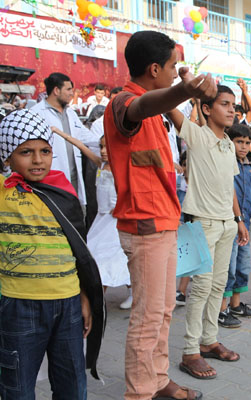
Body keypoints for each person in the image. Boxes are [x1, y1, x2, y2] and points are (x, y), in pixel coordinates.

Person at [103, 30, 215, 400]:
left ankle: (159, 378)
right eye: (171, 67)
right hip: (145, 226)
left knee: (164, 311)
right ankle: (139, 393)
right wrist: (186, 91)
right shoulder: (125, 103)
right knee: (148, 319)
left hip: (164, 223)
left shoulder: (157, 109)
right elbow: (142, 107)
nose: (175, 72)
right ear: (154, 69)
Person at [0, 109, 104, 399]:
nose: (37, 159)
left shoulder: (62, 189)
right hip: (19, 307)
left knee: (72, 384)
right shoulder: (3, 191)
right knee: (17, 387)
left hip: (68, 305)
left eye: (45, 151)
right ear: (7, 156)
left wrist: (84, 296)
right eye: (25, 152)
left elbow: (79, 251)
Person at [166, 85, 247, 377]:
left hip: (226, 223)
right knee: (199, 289)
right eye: (224, 104)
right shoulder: (196, 135)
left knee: (218, 285)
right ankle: (190, 352)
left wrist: (238, 219)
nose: (231, 109)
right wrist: (186, 87)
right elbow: (170, 108)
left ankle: (209, 341)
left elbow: (230, 186)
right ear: (207, 108)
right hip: (198, 221)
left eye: (233, 105)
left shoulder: (227, 142)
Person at [51, 127, 132, 308]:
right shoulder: (100, 164)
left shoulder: (122, 168)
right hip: (100, 220)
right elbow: (82, 147)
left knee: (111, 259)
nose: (103, 152)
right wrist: (62, 134)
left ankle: (114, 296)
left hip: (115, 222)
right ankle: (102, 297)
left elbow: (130, 193)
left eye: (107, 148)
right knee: (96, 256)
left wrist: (120, 207)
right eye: (101, 147)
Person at [219, 124, 251, 328]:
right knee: (228, 267)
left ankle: (236, 305)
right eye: (239, 142)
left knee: (243, 266)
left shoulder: (249, 167)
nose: (244, 147)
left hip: (245, 224)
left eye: (247, 143)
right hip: (231, 223)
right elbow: (229, 193)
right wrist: (238, 221)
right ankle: (222, 309)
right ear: (230, 142)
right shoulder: (227, 163)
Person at [31, 73, 98, 205]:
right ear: (56, 90)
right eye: (68, 89)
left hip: (73, 178)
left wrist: (106, 144)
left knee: (76, 216)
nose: (71, 94)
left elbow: (87, 137)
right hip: (51, 178)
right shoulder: (36, 113)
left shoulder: (71, 113)